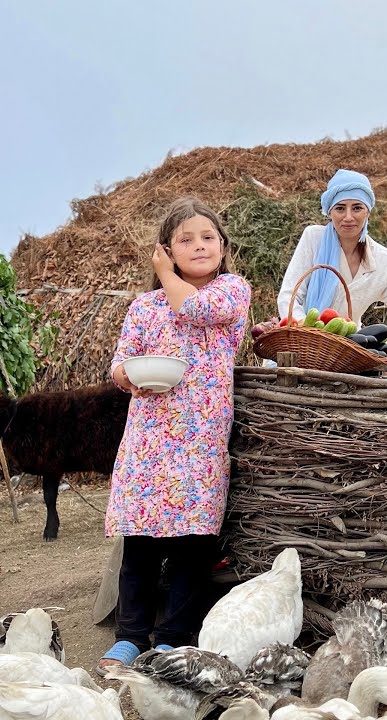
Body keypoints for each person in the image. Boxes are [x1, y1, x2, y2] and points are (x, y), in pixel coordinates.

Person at [98, 197, 251, 671]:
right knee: (139, 541)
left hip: (201, 437)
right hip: (148, 435)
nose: (199, 245)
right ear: (168, 248)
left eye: (208, 237)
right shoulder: (144, 306)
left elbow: (198, 310)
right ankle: (130, 636)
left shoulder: (232, 290)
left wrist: (167, 273)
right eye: (186, 239)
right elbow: (120, 362)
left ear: (223, 248)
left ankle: (173, 637)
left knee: (192, 542)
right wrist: (128, 375)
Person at [277, 169, 387, 333]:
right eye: (340, 208)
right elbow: (289, 297)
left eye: (357, 208)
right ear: (329, 212)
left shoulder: (385, 262)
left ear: (368, 211)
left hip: (348, 350)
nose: (348, 217)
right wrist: (308, 330)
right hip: (301, 344)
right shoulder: (314, 239)